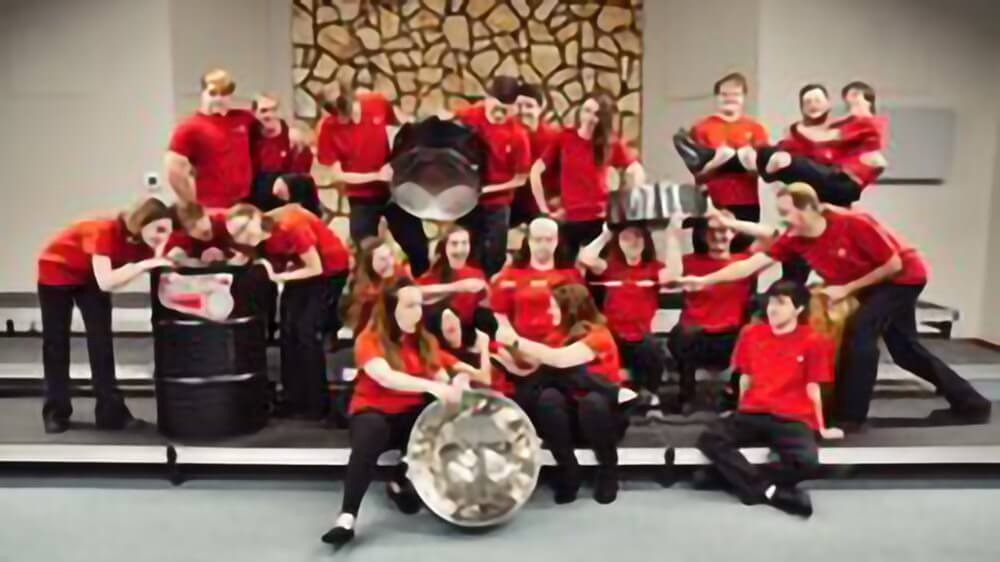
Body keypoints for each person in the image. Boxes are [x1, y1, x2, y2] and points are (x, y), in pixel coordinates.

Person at [678, 183, 992, 428]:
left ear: (811, 208)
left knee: (861, 334)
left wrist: (846, 289)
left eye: (788, 212)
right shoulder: (796, 236)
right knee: (905, 350)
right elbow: (750, 265)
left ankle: (851, 417)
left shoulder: (853, 222)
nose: (785, 220)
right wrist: (704, 281)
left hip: (903, 278)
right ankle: (971, 401)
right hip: (870, 281)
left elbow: (893, 264)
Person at [321, 279, 473, 547]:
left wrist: (457, 382)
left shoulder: (424, 341)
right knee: (371, 433)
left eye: (419, 305)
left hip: (409, 415)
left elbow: (442, 375)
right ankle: (347, 517)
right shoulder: (369, 340)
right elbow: (387, 378)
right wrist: (434, 386)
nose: (417, 312)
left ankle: (401, 475)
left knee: (440, 416)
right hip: (373, 411)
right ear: (392, 309)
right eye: (410, 305)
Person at [696, 281, 840, 519]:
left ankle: (727, 478)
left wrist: (820, 427)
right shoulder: (751, 333)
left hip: (792, 416)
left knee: (806, 461)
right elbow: (745, 378)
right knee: (711, 438)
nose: (773, 308)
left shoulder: (813, 340)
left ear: (799, 309)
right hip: (754, 411)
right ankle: (767, 490)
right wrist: (740, 410)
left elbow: (813, 386)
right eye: (771, 302)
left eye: (781, 303)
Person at [37, 198, 175, 433]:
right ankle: (56, 412)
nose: (163, 237)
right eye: (159, 230)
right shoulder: (104, 230)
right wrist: (143, 266)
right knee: (56, 344)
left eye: (168, 231)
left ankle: (111, 413)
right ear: (143, 222)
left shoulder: (143, 242)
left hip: (89, 278)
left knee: (101, 342)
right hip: (56, 273)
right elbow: (107, 281)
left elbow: (159, 262)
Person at [496, 284, 626, 505]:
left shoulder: (598, 335)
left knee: (591, 401)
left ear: (571, 310)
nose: (550, 312)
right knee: (548, 398)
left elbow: (559, 359)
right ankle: (568, 470)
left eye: (555, 308)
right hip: (570, 417)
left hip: (602, 415)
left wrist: (516, 340)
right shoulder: (557, 334)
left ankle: (608, 471)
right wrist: (503, 355)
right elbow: (531, 365)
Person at [226, 203, 350, 419]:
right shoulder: (256, 240)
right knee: (287, 331)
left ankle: (316, 403)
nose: (241, 237)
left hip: (328, 272)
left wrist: (279, 277)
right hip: (298, 272)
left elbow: (315, 268)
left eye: (244, 229)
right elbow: (243, 260)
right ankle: (293, 397)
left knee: (306, 332)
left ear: (256, 218)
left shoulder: (293, 226)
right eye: (235, 234)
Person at [316, 82, 430, 275]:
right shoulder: (328, 129)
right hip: (362, 196)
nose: (347, 121)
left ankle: (422, 282)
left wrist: (399, 163)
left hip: (393, 190)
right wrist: (375, 176)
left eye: (348, 114)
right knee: (363, 245)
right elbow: (337, 174)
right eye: (340, 117)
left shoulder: (376, 103)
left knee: (416, 243)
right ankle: (367, 290)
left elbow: (400, 129)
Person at [530, 93, 646, 260]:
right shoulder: (565, 138)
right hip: (569, 218)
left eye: (596, 114)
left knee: (598, 272)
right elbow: (536, 171)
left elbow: (635, 169)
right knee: (567, 271)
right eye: (586, 111)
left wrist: (631, 200)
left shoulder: (609, 142)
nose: (590, 117)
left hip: (599, 218)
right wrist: (544, 210)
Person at [665, 211, 757, 414]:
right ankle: (686, 397)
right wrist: (672, 233)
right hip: (695, 338)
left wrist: (732, 221)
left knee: (751, 335)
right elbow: (670, 278)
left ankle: (734, 396)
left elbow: (777, 237)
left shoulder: (745, 261)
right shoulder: (688, 262)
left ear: (734, 233)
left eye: (723, 230)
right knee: (683, 334)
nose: (717, 236)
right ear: (702, 235)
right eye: (711, 231)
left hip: (730, 339)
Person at [578, 224, 669, 411]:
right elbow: (585, 258)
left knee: (652, 349)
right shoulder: (611, 267)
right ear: (618, 243)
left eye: (637, 237)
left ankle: (651, 396)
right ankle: (613, 396)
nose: (633, 242)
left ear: (646, 241)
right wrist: (606, 234)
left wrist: (674, 233)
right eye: (626, 238)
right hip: (613, 336)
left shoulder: (654, 268)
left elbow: (674, 273)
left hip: (641, 338)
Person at [753, 84, 886, 208]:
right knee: (768, 152)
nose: (812, 105)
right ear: (802, 108)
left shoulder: (845, 126)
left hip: (838, 183)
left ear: (828, 104)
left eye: (817, 100)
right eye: (807, 102)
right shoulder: (796, 133)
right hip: (811, 186)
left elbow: (874, 152)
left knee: (787, 160)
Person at [455, 75, 532, 276]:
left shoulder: (518, 135)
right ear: (486, 100)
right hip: (466, 198)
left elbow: (521, 178)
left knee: (494, 255)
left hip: (497, 201)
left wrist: (487, 189)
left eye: (504, 111)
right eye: (495, 108)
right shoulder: (471, 115)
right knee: (466, 251)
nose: (498, 114)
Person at [672, 73, 769, 223]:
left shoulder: (756, 128)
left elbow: (763, 169)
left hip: (746, 201)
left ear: (743, 97)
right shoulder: (701, 128)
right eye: (724, 94)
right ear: (717, 97)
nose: (730, 98)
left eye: (735, 94)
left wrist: (750, 163)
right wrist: (715, 163)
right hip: (710, 202)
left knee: (745, 246)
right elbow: (697, 171)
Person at [165, 69, 257, 208]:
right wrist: (192, 205)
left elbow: (270, 122)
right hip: (211, 205)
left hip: (245, 203)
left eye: (224, 93)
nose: (219, 99)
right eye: (213, 93)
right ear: (203, 93)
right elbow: (174, 169)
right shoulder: (190, 127)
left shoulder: (243, 119)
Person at [491, 217, 583, 343]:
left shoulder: (571, 276)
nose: (543, 245)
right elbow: (500, 314)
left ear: (556, 241)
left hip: (561, 346)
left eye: (549, 240)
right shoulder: (510, 275)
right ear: (529, 241)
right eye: (538, 240)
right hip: (520, 344)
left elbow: (580, 315)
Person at [249, 93, 321, 215]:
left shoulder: (294, 139)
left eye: (274, 110)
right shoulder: (250, 139)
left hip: (292, 208)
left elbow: (303, 178)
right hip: (261, 210)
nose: (270, 115)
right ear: (254, 113)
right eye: (264, 111)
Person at [416, 225, 490, 330]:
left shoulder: (477, 274)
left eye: (464, 243)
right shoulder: (433, 275)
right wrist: (458, 287)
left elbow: (485, 310)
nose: (460, 250)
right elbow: (411, 293)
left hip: (467, 335)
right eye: (454, 244)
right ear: (445, 247)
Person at [511, 82, 562, 226]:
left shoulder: (553, 137)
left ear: (540, 109)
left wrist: (559, 200)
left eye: (529, 106)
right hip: (511, 199)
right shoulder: (507, 134)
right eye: (518, 106)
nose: (523, 111)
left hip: (543, 200)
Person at [344, 235, 411, 334]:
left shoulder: (399, 273)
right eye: (383, 259)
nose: (390, 262)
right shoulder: (364, 290)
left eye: (391, 256)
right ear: (370, 262)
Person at [164, 203, 234, 265]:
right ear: (183, 232)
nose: (202, 227)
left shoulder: (224, 224)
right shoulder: (181, 240)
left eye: (202, 217)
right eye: (192, 226)